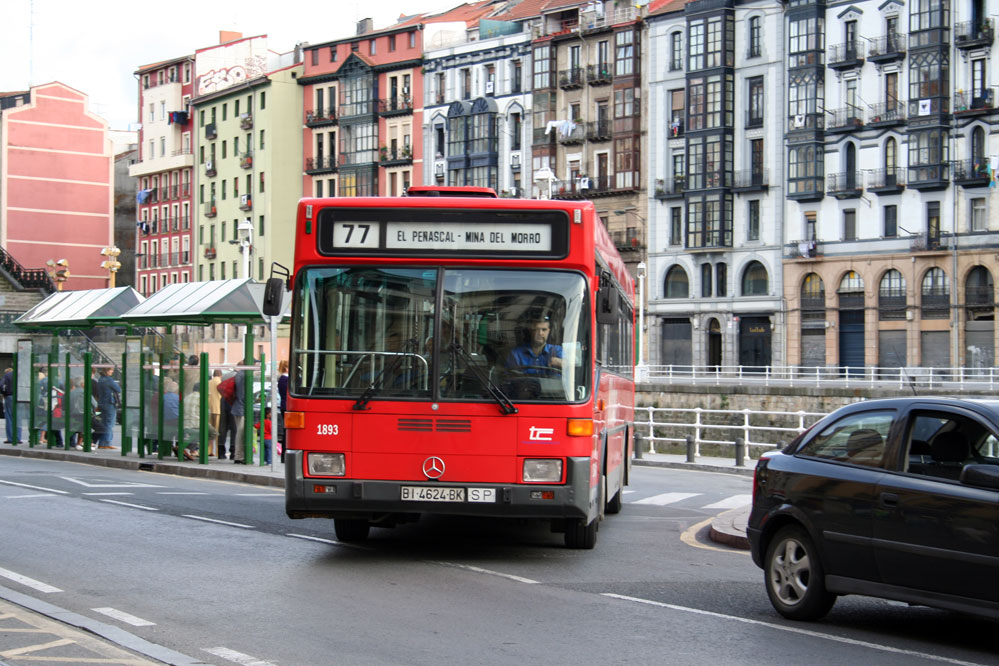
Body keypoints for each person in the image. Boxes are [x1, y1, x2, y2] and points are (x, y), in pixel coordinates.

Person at [182, 382, 217, 460]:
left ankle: (188, 448)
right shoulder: (201, 397)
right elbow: (206, 414)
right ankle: (201, 451)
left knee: (198, 434)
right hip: (197, 423)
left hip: (185, 423)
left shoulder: (187, 397)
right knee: (213, 433)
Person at [94, 367, 121, 449]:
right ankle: (106, 442)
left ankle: (102, 443)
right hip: (109, 403)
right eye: (111, 370)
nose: (112, 371)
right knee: (109, 423)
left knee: (104, 422)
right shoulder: (109, 380)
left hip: (101, 403)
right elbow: (118, 389)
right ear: (107, 371)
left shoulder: (101, 379)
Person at [1, 367, 20, 444]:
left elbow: (1, 385)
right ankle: (18, 438)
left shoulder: (7, 375)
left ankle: (11, 438)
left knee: (9, 417)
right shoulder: (20, 375)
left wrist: (4, 393)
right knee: (18, 418)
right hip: (20, 397)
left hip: (9, 396)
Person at [208, 368, 222, 457]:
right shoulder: (220, 382)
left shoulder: (209, 382)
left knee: (209, 431)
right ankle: (217, 451)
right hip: (218, 408)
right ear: (221, 375)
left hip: (209, 408)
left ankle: (208, 450)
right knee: (216, 431)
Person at [277, 360, 288, 455]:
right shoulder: (285, 379)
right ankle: (284, 453)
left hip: (284, 405)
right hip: (286, 406)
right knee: (287, 431)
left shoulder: (283, 379)